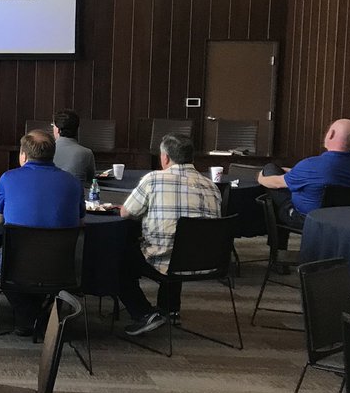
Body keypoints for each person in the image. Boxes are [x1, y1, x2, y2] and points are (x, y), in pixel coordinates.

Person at [116, 133, 222, 336]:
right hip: (207, 261)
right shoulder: (212, 186)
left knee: (117, 259)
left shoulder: (153, 179)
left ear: (164, 158)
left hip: (168, 261)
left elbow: (126, 212)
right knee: (182, 243)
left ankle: (144, 313)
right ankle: (170, 310)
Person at [0, 130, 85, 336]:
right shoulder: (73, 182)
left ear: (23, 155)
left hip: (19, 266)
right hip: (64, 266)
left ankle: (29, 315)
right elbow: (80, 221)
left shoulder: (8, 178)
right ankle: (42, 311)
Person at [257, 118, 350, 228]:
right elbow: (319, 176)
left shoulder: (311, 165)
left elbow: (276, 183)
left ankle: (275, 239)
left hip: (305, 219)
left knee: (270, 169)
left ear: (331, 134)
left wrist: (260, 178)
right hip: (341, 220)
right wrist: (291, 171)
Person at [50, 109, 96, 184]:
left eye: (53, 125)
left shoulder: (45, 150)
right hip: (77, 195)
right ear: (77, 129)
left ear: (58, 130)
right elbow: (91, 182)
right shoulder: (87, 153)